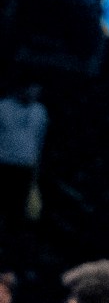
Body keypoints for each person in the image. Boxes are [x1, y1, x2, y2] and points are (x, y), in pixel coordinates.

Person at [0, 84, 45, 228]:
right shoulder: (3, 106)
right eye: (31, 88)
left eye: (37, 90)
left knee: (17, 207)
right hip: (4, 162)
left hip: (25, 166)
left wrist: (36, 170)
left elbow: (39, 141)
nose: (34, 92)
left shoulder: (40, 111)